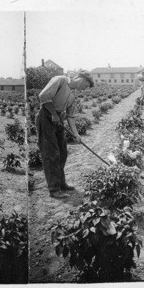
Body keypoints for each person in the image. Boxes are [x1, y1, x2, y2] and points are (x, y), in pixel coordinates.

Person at [36, 70, 94, 199]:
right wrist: (54, 114)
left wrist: (76, 134)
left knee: (62, 152)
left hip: (58, 120)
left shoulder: (73, 94)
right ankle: (54, 188)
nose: (84, 89)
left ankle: (61, 184)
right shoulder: (60, 80)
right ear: (82, 79)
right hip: (46, 118)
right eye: (85, 86)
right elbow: (43, 96)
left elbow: (70, 116)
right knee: (51, 153)